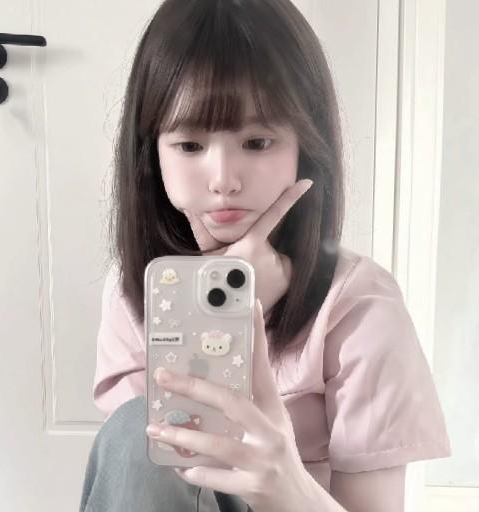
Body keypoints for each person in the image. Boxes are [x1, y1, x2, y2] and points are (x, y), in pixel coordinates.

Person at [79, 0, 452, 510]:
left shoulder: (360, 306)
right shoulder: (138, 291)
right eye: (189, 145)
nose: (223, 180)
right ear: (152, 155)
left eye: (257, 142)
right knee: (137, 434)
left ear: (305, 146)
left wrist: (287, 483)